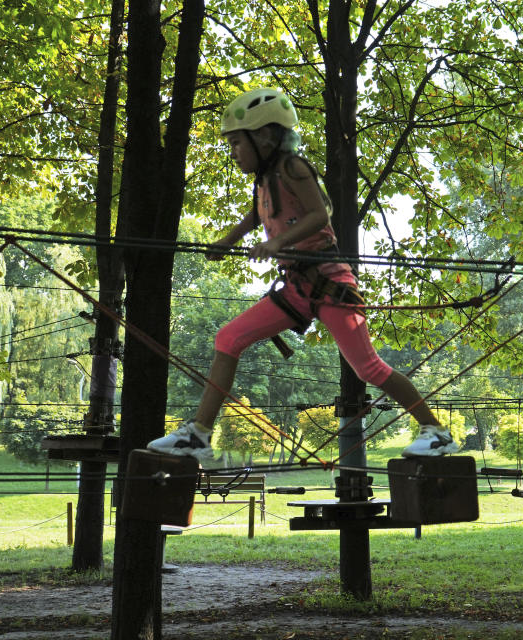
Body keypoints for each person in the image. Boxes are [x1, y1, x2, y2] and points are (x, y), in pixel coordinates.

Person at [147, 87, 457, 460]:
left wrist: (279, 244)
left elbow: (318, 216)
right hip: (296, 286)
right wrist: (227, 241)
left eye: (236, 144)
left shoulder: (293, 167)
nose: (233, 154)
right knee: (228, 338)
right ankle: (198, 434)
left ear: (263, 136)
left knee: (367, 368)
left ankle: (436, 432)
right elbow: (255, 216)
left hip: (328, 282)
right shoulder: (263, 179)